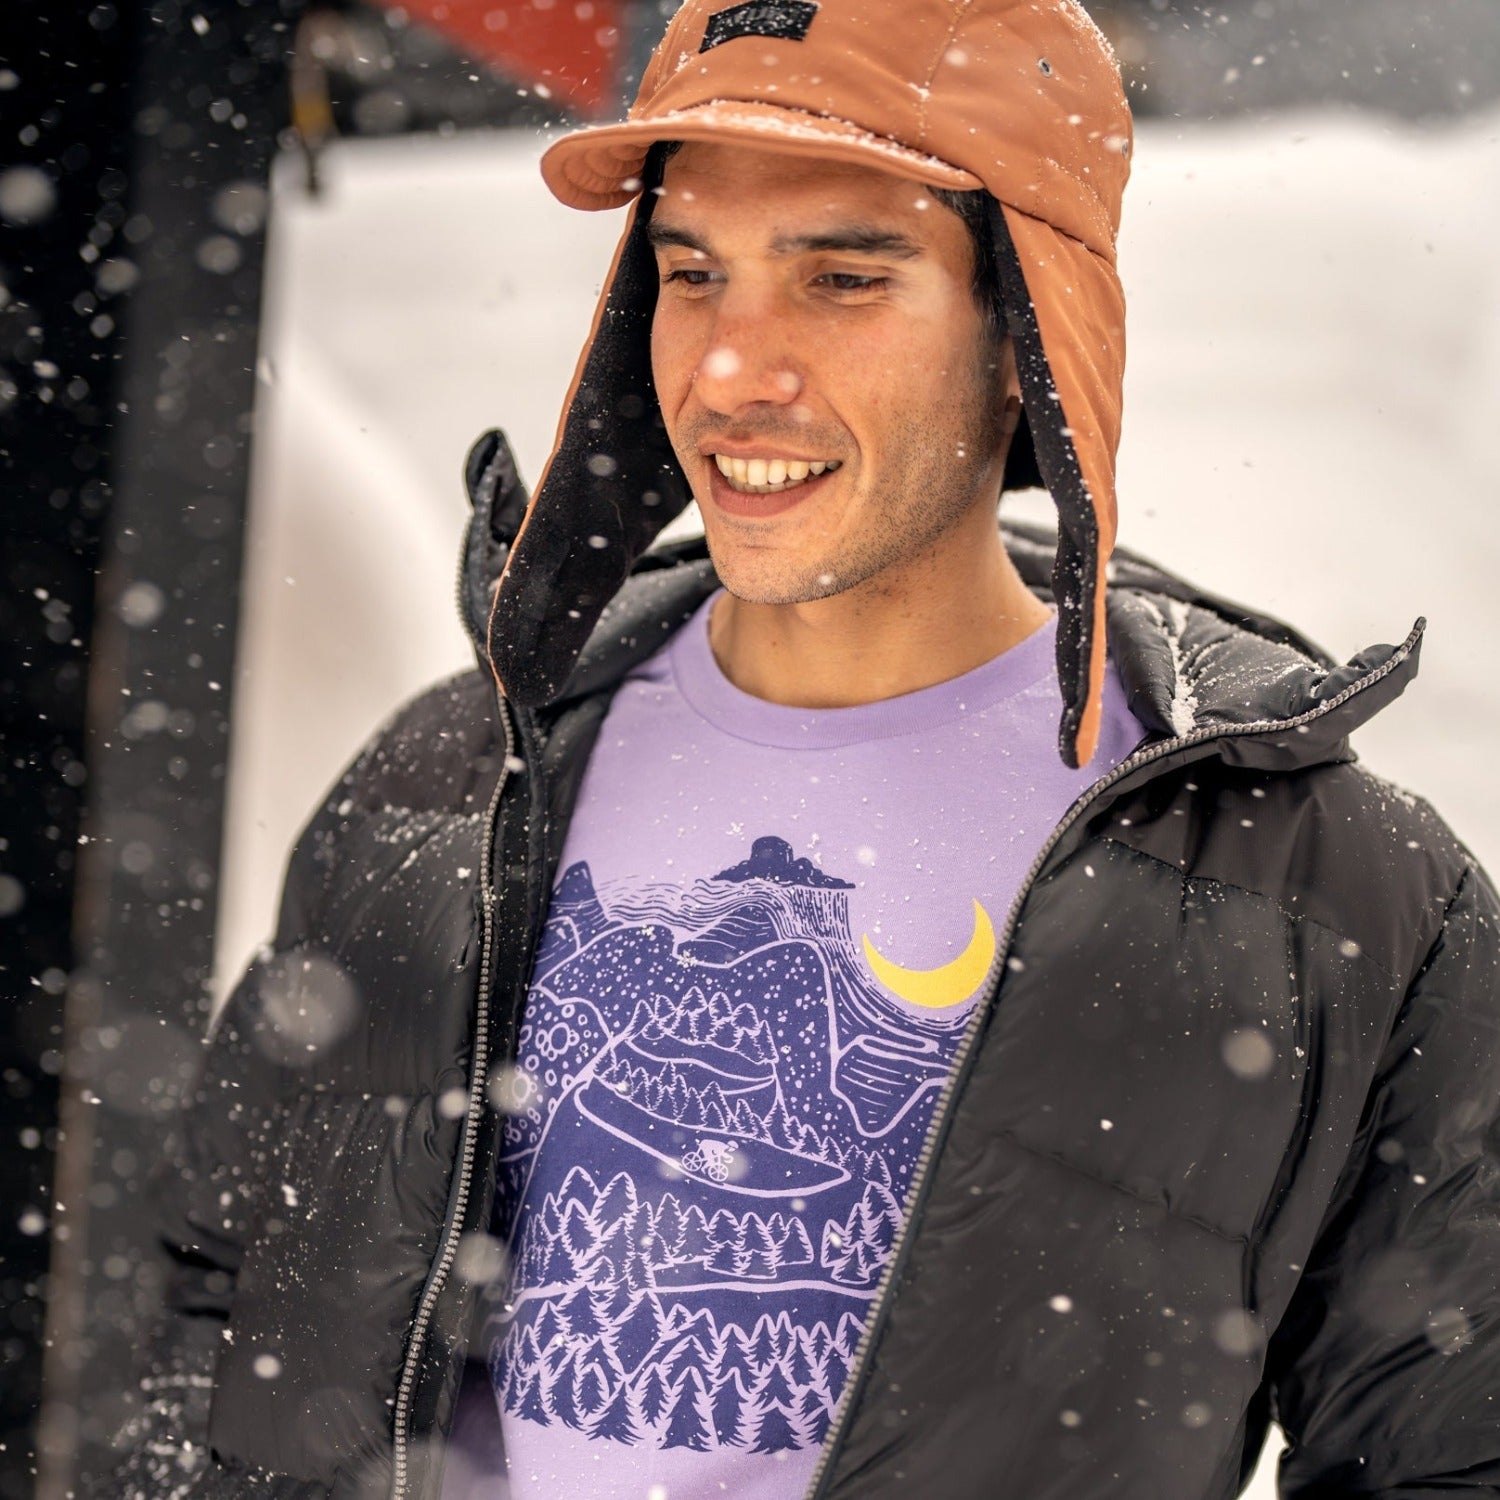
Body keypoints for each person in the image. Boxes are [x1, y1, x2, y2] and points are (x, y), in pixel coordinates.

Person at [95, 1, 1500, 1497]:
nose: (726, 368)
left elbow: (1453, 1454)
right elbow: (212, 1301)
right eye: (692, 272)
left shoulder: (1322, 892)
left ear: (1031, 338)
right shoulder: (455, 779)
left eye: (841, 278)